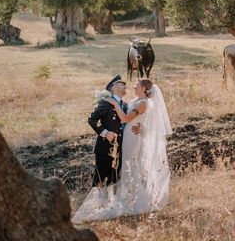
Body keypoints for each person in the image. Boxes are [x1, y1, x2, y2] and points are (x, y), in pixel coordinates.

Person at [73, 78, 172, 223]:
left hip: (130, 140)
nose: (132, 86)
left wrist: (140, 126)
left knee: (128, 167)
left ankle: (130, 201)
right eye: (123, 84)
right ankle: (112, 201)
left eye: (137, 85)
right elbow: (95, 119)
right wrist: (108, 131)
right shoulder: (128, 102)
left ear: (144, 88)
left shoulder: (138, 103)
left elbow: (127, 118)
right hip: (117, 142)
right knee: (117, 171)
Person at [87, 75, 128, 187]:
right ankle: (95, 204)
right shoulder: (106, 103)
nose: (125, 85)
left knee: (114, 180)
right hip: (105, 148)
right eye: (121, 84)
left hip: (119, 149)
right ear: (113, 88)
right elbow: (92, 120)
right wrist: (105, 132)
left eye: (125, 84)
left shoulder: (124, 105)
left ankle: (109, 203)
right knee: (99, 180)